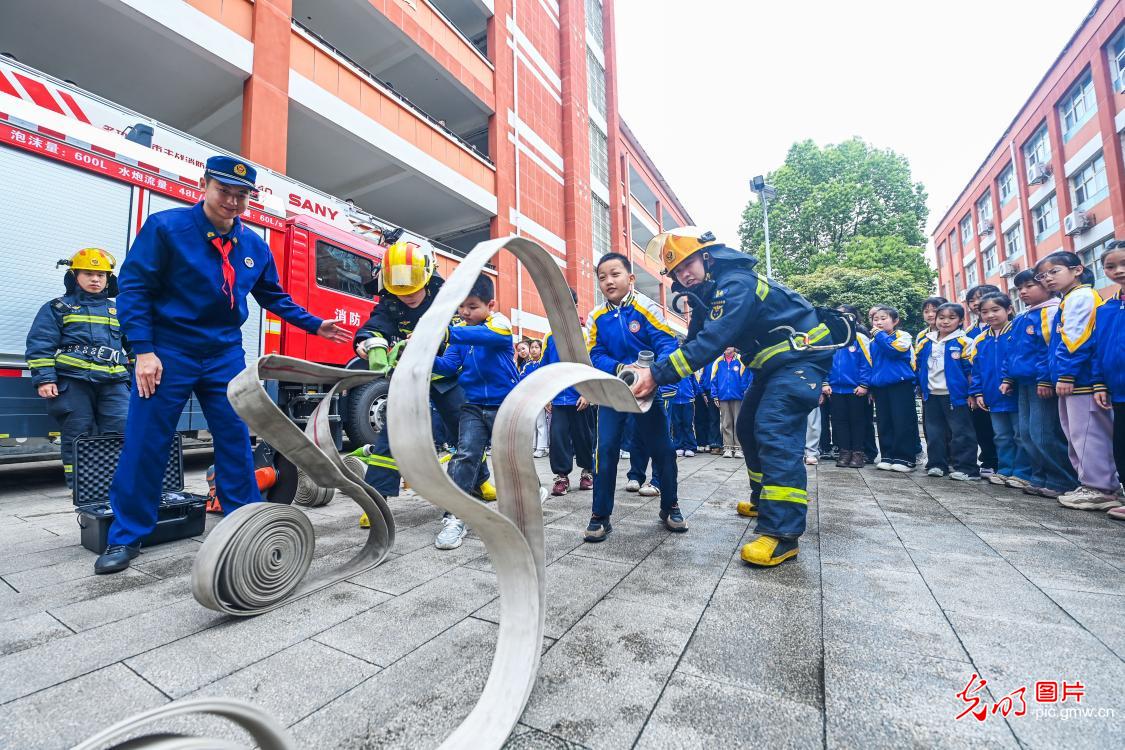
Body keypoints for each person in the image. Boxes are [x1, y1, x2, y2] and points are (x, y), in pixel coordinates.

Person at [94, 156, 349, 574]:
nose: (232, 202)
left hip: (225, 353)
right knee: (146, 442)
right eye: (224, 191)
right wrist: (143, 350)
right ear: (204, 184)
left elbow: (274, 297)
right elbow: (134, 289)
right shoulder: (166, 229)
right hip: (168, 350)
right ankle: (126, 535)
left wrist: (316, 324)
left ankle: (242, 523)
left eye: (241, 195)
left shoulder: (254, 246)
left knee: (235, 439)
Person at [630, 228, 835, 567]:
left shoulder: (736, 284)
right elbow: (695, 342)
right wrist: (660, 367)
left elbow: (712, 342)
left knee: (773, 429)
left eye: (688, 264)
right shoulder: (709, 297)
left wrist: (657, 374)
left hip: (799, 360)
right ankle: (763, 501)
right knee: (749, 428)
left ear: (708, 257)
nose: (684, 274)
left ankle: (782, 534)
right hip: (773, 366)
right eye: (678, 272)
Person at [353, 241, 497, 528]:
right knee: (391, 436)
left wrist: (429, 342)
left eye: (413, 288)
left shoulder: (447, 295)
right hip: (409, 379)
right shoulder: (391, 300)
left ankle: (479, 481)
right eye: (399, 290)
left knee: (465, 431)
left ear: (427, 276)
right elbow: (374, 325)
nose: (407, 296)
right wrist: (367, 342)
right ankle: (376, 501)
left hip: (445, 377)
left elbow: (458, 330)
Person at [585, 252, 685, 542]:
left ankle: (670, 507)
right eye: (602, 277)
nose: (608, 281)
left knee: (663, 450)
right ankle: (599, 515)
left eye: (615, 274)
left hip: (647, 393)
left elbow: (667, 342)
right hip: (612, 393)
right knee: (605, 451)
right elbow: (594, 354)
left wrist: (651, 373)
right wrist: (619, 368)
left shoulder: (646, 307)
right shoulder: (596, 317)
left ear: (630, 278)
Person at [25, 248, 130, 490]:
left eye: (101, 275)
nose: (95, 279)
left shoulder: (119, 311)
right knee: (78, 434)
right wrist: (44, 379)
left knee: (121, 431)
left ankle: (114, 484)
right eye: (89, 273)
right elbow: (40, 345)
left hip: (114, 382)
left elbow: (136, 348)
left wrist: (137, 378)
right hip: (73, 382)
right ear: (75, 276)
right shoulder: (57, 308)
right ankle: (81, 487)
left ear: (108, 279)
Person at [430, 274, 521, 548]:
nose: (465, 312)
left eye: (472, 306)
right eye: (461, 307)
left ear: (490, 304)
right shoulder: (460, 332)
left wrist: (448, 332)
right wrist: (422, 355)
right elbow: (447, 366)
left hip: (505, 404)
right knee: (465, 454)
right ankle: (456, 516)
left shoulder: (499, 324)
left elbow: (488, 337)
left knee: (513, 457)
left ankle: (523, 502)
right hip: (472, 405)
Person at [1037, 252, 1119, 509]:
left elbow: (1078, 339)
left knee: (1088, 434)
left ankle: (1100, 488)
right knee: (1075, 434)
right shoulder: (1069, 298)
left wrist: (1067, 374)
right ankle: (1089, 484)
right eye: (1043, 275)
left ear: (1077, 270)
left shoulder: (1082, 296)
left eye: (1054, 271)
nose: (1047, 278)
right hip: (1072, 379)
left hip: (1080, 380)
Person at [1001, 269, 1077, 498]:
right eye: (1019, 288)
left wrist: (1045, 379)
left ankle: (1062, 480)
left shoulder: (1051, 312)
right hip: (1022, 382)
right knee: (1026, 433)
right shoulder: (1024, 316)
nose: (1023, 292)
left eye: (1029, 286)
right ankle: (1040, 476)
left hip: (1040, 382)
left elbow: (1049, 349)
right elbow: (1011, 351)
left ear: (1047, 285)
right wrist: (1008, 377)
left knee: (1043, 432)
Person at [542, 288, 595, 496]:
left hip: (580, 398)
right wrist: (546, 395)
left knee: (584, 438)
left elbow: (593, 365)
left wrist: (589, 394)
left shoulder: (585, 334)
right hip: (558, 399)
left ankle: (588, 471)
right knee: (558, 438)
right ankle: (561, 477)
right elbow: (545, 368)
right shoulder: (550, 336)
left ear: (575, 307)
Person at [968, 293, 1025, 487]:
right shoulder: (981, 339)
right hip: (992, 396)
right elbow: (976, 369)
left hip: (1015, 394)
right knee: (1001, 436)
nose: (990, 315)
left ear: (1008, 309)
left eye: (995, 310)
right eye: (985, 312)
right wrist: (977, 393)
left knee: (1020, 434)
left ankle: (1022, 472)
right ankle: (1005, 469)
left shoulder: (1017, 332)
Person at [916, 303, 977, 480]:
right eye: (941, 317)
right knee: (934, 432)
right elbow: (918, 365)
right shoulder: (926, 341)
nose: (945, 322)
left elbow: (970, 370)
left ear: (960, 321)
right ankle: (936, 464)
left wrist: (972, 393)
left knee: (961, 432)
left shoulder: (964, 342)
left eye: (951, 318)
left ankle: (966, 467)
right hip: (931, 394)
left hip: (955, 396)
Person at [1093, 241, 1125, 517]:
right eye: (1111, 266)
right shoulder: (1106, 309)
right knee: (1121, 443)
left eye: (1123, 264)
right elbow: (1098, 349)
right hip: (1117, 390)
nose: (1119, 271)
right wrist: (1100, 383)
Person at [867, 306, 917, 472]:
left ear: (895, 321)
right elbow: (871, 365)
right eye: (875, 319)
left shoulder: (903, 336)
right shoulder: (873, 342)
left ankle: (905, 458)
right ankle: (888, 455)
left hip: (900, 384)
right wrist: (871, 387)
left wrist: (879, 335)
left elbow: (894, 351)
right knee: (884, 422)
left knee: (902, 421)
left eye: (883, 318)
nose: (879, 322)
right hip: (880, 386)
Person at [826, 305, 872, 469]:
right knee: (839, 422)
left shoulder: (859, 337)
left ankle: (858, 453)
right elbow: (825, 362)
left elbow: (866, 362)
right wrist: (825, 383)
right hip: (835, 389)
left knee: (858, 421)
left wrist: (864, 384)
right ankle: (844, 452)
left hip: (855, 389)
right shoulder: (831, 338)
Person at [965, 284, 1001, 476]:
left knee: (1005, 428)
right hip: (978, 387)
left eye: (982, 297)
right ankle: (988, 459)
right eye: (972, 300)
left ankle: (1006, 463)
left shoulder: (1008, 326)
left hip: (1002, 386)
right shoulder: (970, 332)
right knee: (982, 425)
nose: (977, 303)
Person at [710, 347, 751, 458]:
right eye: (725, 347)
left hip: (738, 396)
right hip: (723, 396)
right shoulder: (718, 361)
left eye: (729, 347)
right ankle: (727, 447)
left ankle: (739, 448)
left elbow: (747, 377)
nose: (726, 349)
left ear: (734, 348)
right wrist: (715, 395)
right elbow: (713, 379)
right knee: (726, 422)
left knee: (738, 422)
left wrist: (744, 391)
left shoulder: (741, 360)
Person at [526, 339, 550, 458]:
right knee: (533, 423)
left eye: (536, 347)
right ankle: (534, 446)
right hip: (531, 398)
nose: (534, 350)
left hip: (542, 397)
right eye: (532, 347)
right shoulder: (527, 366)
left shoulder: (543, 364)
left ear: (541, 350)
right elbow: (523, 380)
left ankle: (542, 447)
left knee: (541, 423)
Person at [669, 373, 698, 457]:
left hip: (688, 400)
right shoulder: (671, 370)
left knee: (688, 424)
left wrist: (692, 394)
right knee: (676, 424)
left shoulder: (689, 371)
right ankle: (678, 446)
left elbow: (694, 383)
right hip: (674, 400)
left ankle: (690, 447)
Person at [695, 365, 722, 454]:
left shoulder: (716, 358)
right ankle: (701, 442)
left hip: (711, 390)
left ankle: (713, 443)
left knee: (713, 418)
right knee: (699, 417)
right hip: (697, 391)